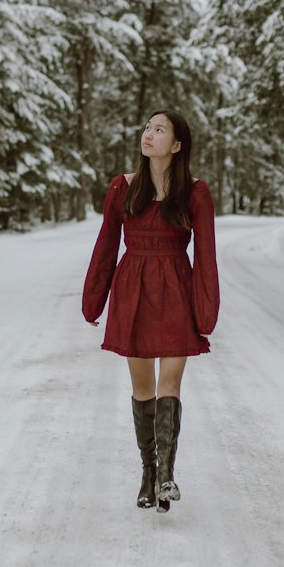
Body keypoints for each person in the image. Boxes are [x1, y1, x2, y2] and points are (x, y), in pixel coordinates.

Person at [82, 109, 220, 513]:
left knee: (170, 385)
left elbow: (207, 257)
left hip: (175, 290)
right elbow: (106, 247)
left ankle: (166, 477)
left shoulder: (195, 193)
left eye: (159, 130)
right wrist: (94, 300)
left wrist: (205, 311)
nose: (148, 134)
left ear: (177, 145)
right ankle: (148, 472)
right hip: (133, 290)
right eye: (146, 127)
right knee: (143, 389)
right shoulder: (122, 188)